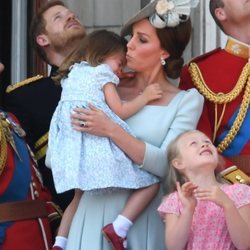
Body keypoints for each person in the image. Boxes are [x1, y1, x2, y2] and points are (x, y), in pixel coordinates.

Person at [64, 0, 203, 249]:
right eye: (131, 37)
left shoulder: (186, 101)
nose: (129, 45)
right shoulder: (102, 85)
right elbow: (63, 146)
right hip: (91, 211)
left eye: (142, 39)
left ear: (164, 53)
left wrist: (110, 129)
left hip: (141, 222)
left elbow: (165, 164)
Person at [47, 29, 164, 250]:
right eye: (120, 63)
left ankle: (60, 242)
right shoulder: (103, 74)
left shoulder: (73, 74)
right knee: (150, 182)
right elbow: (119, 110)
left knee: (78, 197)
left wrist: (117, 79)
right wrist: (145, 97)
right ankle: (119, 227)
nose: (120, 71)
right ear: (103, 54)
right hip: (97, 147)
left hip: (72, 150)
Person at [3, 0, 86, 211]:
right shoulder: (26, 97)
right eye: (58, 17)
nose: (71, 16)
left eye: (72, 14)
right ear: (42, 39)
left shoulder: (115, 80)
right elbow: (26, 174)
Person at [179, 0, 250, 184]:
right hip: (235, 192)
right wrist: (242, 183)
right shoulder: (199, 72)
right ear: (221, 14)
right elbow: (198, 142)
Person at [0, 62, 62, 250]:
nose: (2, 66)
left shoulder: (9, 118)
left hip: (37, 235)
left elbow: (33, 183)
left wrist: (57, 223)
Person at [158, 130, 250, 249]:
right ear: (179, 163)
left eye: (208, 141)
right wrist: (188, 209)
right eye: (193, 143)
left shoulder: (239, 192)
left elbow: (245, 244)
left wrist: (228, 205)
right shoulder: (176, 199)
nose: (204, 144)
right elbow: (174, 247)